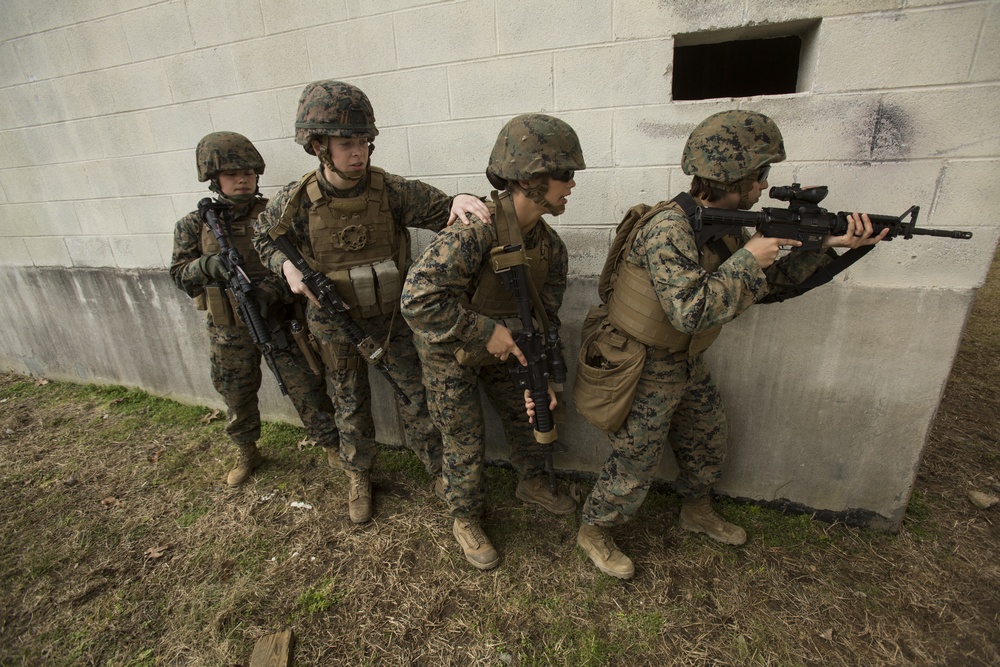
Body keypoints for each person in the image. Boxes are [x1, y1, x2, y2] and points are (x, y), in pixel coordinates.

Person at [569, 110, 888, 579]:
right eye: (759, 175)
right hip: (641, 364)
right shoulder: (669, 229)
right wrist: (749, 259)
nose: (763, 186)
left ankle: (696, 511)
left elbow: (770, 287)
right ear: (730, 175)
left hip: (686, 359)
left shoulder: (726, 226)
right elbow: (690, 310)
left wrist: (832, 245)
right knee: (635, 460)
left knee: (707, 436)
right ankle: (594, 529)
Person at [252, 80, 490, 524]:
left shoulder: (391, 190)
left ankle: (439, 470)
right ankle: (358, 474)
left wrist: (460, 198)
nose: (358, 152)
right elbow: (263, 236)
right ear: (318, 146)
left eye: (363, 142)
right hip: (333, 325)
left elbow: (445, 213)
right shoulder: (296, 199)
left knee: (416, 396)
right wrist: (284, 267)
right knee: (349, 401)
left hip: (392, 323)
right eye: (346, 144)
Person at [401, 114, 583, 570]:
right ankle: (464, 516)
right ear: (530, 178)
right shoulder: (475, 230)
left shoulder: (549, 247)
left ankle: (533, 481)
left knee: (528, 417)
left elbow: (549, 316)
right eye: (565, 174)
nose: (572, 185)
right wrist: (487, 332)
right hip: (451, 352)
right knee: (464, 440)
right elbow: (418, 300)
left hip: (509, 347)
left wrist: (541, 374)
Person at [170, 131, 340, 487]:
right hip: (228, 327)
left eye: (248, 172)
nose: (242, 179)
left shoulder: (275, 215)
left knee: (307, 385)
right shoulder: (194, 224)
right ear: (215, 179)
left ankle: (331, 446)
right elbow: (179, 275)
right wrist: (207, 266)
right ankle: (247, 450)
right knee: (236, 391)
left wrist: (271, 289)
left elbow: (305, 263)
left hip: (278, 318)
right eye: (232, 174)